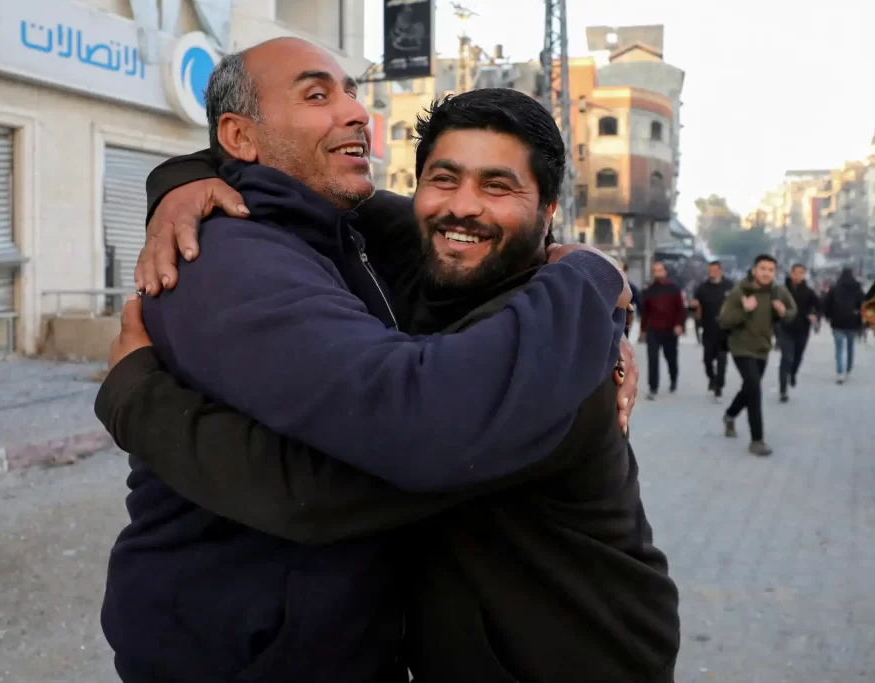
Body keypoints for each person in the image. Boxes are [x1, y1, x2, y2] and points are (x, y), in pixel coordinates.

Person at [99, 40, 658, 683]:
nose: (357, 113)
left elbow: (345, 477)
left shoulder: (535, 338)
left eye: (499, 186)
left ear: (549, 211)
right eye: (318, 95)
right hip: (240, 656)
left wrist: (591, 273)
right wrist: (181, 177)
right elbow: (340, 476)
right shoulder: (235, 260)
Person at [718, 254, 797, 457]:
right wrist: (744, 309)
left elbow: (792, 310)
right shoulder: (740, 291)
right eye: (762, 269)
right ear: (754, 270)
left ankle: (730, 415)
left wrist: (783, 313)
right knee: (754, 388)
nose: (766, 273)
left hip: (762, 348)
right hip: (740, 348)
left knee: (749, 388)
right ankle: (757, 440)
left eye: (771, 270)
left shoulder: (778, 291)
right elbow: (724, 320)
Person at [640, 261, 685, 400]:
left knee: (671, 358)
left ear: (665, 272)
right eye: (655, 271)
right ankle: (653, 388)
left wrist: (679, 324)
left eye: (660, 270)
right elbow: (645, 312)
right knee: (652, 359)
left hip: (670, 329)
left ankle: (673, 379)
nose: (657, 273)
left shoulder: (674, 289)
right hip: (653, 329)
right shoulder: (649, 290)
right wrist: (642, 330)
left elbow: (681, 309)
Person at [777, 263, 821, 401]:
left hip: (802, 330)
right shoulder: (782, 290)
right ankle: (783, 390)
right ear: (791, 273)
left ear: (804, 275)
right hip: (785, 329)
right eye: (795, 272)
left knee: (797, 357)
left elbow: (819, 306)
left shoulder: (809, 292)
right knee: (786, 358)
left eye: (801, 273)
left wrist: (815, 315)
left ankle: (793, 373)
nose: (797, 275)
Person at [690, 260, 734, 399]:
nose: (712, 273)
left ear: (720, 271)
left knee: (722, 359)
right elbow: (694, 304)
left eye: (714, 270)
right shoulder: (702, 287)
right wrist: (694, 305)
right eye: (710, 270)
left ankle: (719, 386)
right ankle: (712, 378)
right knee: (707, 359)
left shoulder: (730, 286)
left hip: (725, 330)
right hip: (708, 328)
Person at [823, 267, 865, 384]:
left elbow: (827, 303)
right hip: (853, 322)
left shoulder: (835, 288)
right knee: (850, 347)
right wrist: (861, 318)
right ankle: (849, 369)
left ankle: (840, 372)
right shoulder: (858, 288)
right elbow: (863, 304)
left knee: (839, 348)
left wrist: (828, 316)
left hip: (838, 322)